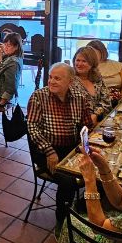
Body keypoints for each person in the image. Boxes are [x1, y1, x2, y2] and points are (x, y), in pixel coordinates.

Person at [27, 62, 94, 229]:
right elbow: (32, 128)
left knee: (99, 169)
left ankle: (84, 210)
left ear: (70, 81)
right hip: (45, 151)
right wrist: (49, 152)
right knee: (68, 182)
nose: (51, 81)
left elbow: (86, 127)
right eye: (50, 77)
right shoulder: (38, 97)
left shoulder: (80, 98)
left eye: (57, 78)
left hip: (71, 149)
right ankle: (62, 221)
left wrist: (86, 150)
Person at [72, 46, 111, 121]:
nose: (79, 64)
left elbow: (107, 102)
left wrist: (95, 115)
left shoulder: (98, 79)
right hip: (78, 122)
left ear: (92, 63)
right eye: (77, 60)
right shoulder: (70, 79)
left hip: (98, 121)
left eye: (84, 61)